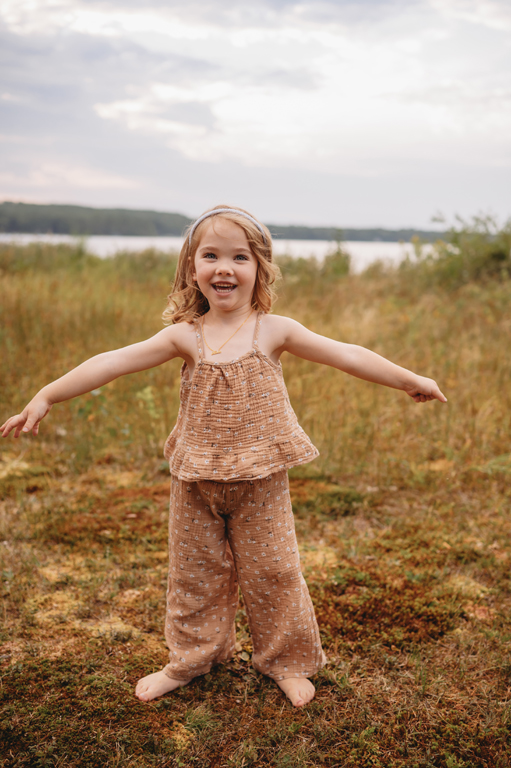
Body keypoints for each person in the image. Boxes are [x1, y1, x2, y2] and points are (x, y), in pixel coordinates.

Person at [1, 205, 447, 708]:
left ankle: (286, 662)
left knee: (275, 572)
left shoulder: (274, 331)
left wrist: (409, 378)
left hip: (261, 481)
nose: (224, 268)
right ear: (193, 267)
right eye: (210, 255)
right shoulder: (184, 336)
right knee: (194, 575)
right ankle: (192, 659)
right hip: (195, 480)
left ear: (260, 269)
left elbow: (347, 353)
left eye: (239, 257)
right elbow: (113, 362)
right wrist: (47, 395)